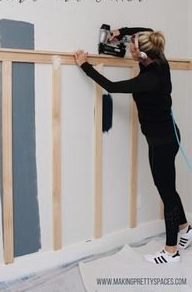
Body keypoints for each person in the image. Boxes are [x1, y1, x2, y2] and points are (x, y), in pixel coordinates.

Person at [74, 27, 192, 264]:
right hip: (166, 136)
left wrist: (84, 65)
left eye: (133, 46)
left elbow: (112, 86)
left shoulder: (148, 79)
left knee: (166, 192)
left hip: (161, 142)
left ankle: (171, 252)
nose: (129, 46)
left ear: (143, 56)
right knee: (168, 186)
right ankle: (185, 228)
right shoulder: (160, 61)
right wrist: (120, 32)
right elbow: (148, 31)